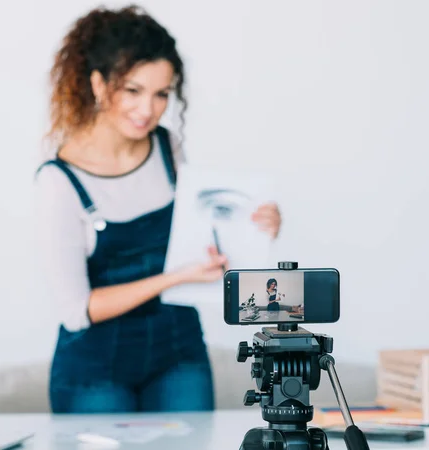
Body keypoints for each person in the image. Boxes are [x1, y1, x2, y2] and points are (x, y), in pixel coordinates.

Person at [34, 5, 282, 414]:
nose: (147, 109)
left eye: (161, 94)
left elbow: (202, 244)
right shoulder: (59, 182)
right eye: (132, 90)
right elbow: (79, 310)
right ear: (98, 84)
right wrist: (171, 280)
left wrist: (259, 226)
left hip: (178, 355)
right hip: (95, 369)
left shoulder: (168, 149)